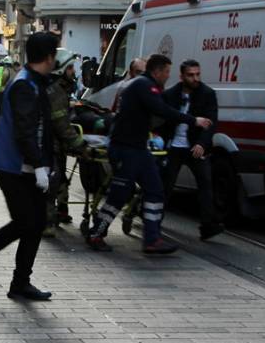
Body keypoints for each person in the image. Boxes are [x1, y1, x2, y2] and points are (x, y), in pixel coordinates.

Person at [0, 32, 59, 302]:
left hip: (26, 165)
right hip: (13, 165)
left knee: (35, 223)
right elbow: (25, 130)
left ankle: (20, 283)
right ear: (49, 56)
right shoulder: (26, 85)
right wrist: (38, 165)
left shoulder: (35, 82)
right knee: (25, 221)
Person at [86, 54, 212, 255]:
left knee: (155, 190)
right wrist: (192, 120)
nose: (168, 77)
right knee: (120, 195)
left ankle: (152, 239)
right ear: (158, 71)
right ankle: (96, 233)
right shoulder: (144, 85)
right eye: (167, 72)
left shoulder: (141, 84)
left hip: (137, 148)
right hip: (127, 148)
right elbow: (161, 110)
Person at [159, 59, 223, 241]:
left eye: (197, 74)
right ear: (182, 76)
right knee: (166, 185)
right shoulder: (170, 94)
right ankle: (154, 218)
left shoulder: (207, 94)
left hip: (195, 146)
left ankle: (208, 225)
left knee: (205, 183)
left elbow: (211, 122)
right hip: (174, 147)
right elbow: (163, 120)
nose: (195, 78)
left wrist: (202, 144)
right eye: (190, 75)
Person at [44, 48, 87, 237]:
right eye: (70, 68)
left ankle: (61, 211)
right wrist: (80, 145)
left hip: (55, 146)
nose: (74, 72)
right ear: (60, 69)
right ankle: (46, 223)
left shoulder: (60, 89)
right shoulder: (55, 91)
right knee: (52, 182)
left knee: (59, 179)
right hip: (49, 145)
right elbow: (61, 125)